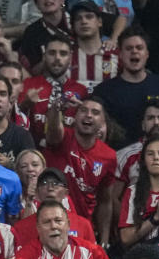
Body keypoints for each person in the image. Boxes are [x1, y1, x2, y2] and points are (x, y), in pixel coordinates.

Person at [93, 29, 159, 148]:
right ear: (120, 54)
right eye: (129, 48)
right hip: (117, 158)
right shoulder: (104, 91)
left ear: (147, 54)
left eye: (139, 48)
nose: (134, 51)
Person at [44, 96, 117, 240]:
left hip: (83, 228)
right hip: (51, 222)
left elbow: (105, 201)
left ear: (103, 122)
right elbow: (52, 130)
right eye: (83, 110)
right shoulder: (62, 137)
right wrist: (56, 108)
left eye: (95, 112)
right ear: (75, 116)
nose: (88, 115)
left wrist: (104, 240)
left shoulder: (109, 156)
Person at [20, 36, 89, 148]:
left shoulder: (81, 90)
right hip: (32, 151)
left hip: (69, 154)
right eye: (52, 53)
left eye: (63, 54)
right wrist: (25, 105)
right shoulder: (28, 85)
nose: (57, 58)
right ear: (44, 56)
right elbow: (14, 119)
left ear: (70, 58)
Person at [18, 0, 71, 74]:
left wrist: (109, 40)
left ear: (62, 0)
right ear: (37, 5)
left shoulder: (77, 20)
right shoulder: (32, 32)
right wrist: (47, 60)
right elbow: (32, 72)